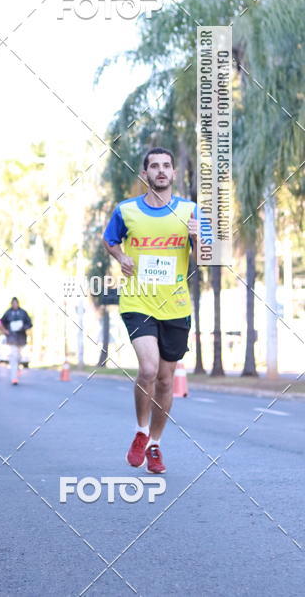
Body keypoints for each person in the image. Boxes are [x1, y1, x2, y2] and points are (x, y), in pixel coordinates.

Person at [103, 147, 199, 474]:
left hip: (175, 305)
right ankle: (140, 432)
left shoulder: (190, 210)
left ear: (173, 173)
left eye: (166, 166)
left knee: (165, 379)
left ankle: (156, 444)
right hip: (137, 299)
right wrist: (121, 257)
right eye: (154, 166)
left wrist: (198, 239)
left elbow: (206, 257)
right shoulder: (126, 210)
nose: (161, 171)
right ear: (144, 174)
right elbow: (110, 240)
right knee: (147, 369)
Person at [0, 298, 32, 385]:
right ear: (11, 304)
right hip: (11, 338)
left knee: (19, 357)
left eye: (16, 303)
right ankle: (14, 378)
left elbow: (29, 323)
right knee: (13, 357)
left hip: (21, 339)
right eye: (13, 303)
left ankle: (17, 369)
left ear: (18, 303)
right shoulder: (8, 313)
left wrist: (23, 327)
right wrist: (5, 330)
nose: (14, 304)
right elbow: (1, 322)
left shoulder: (23, 313)